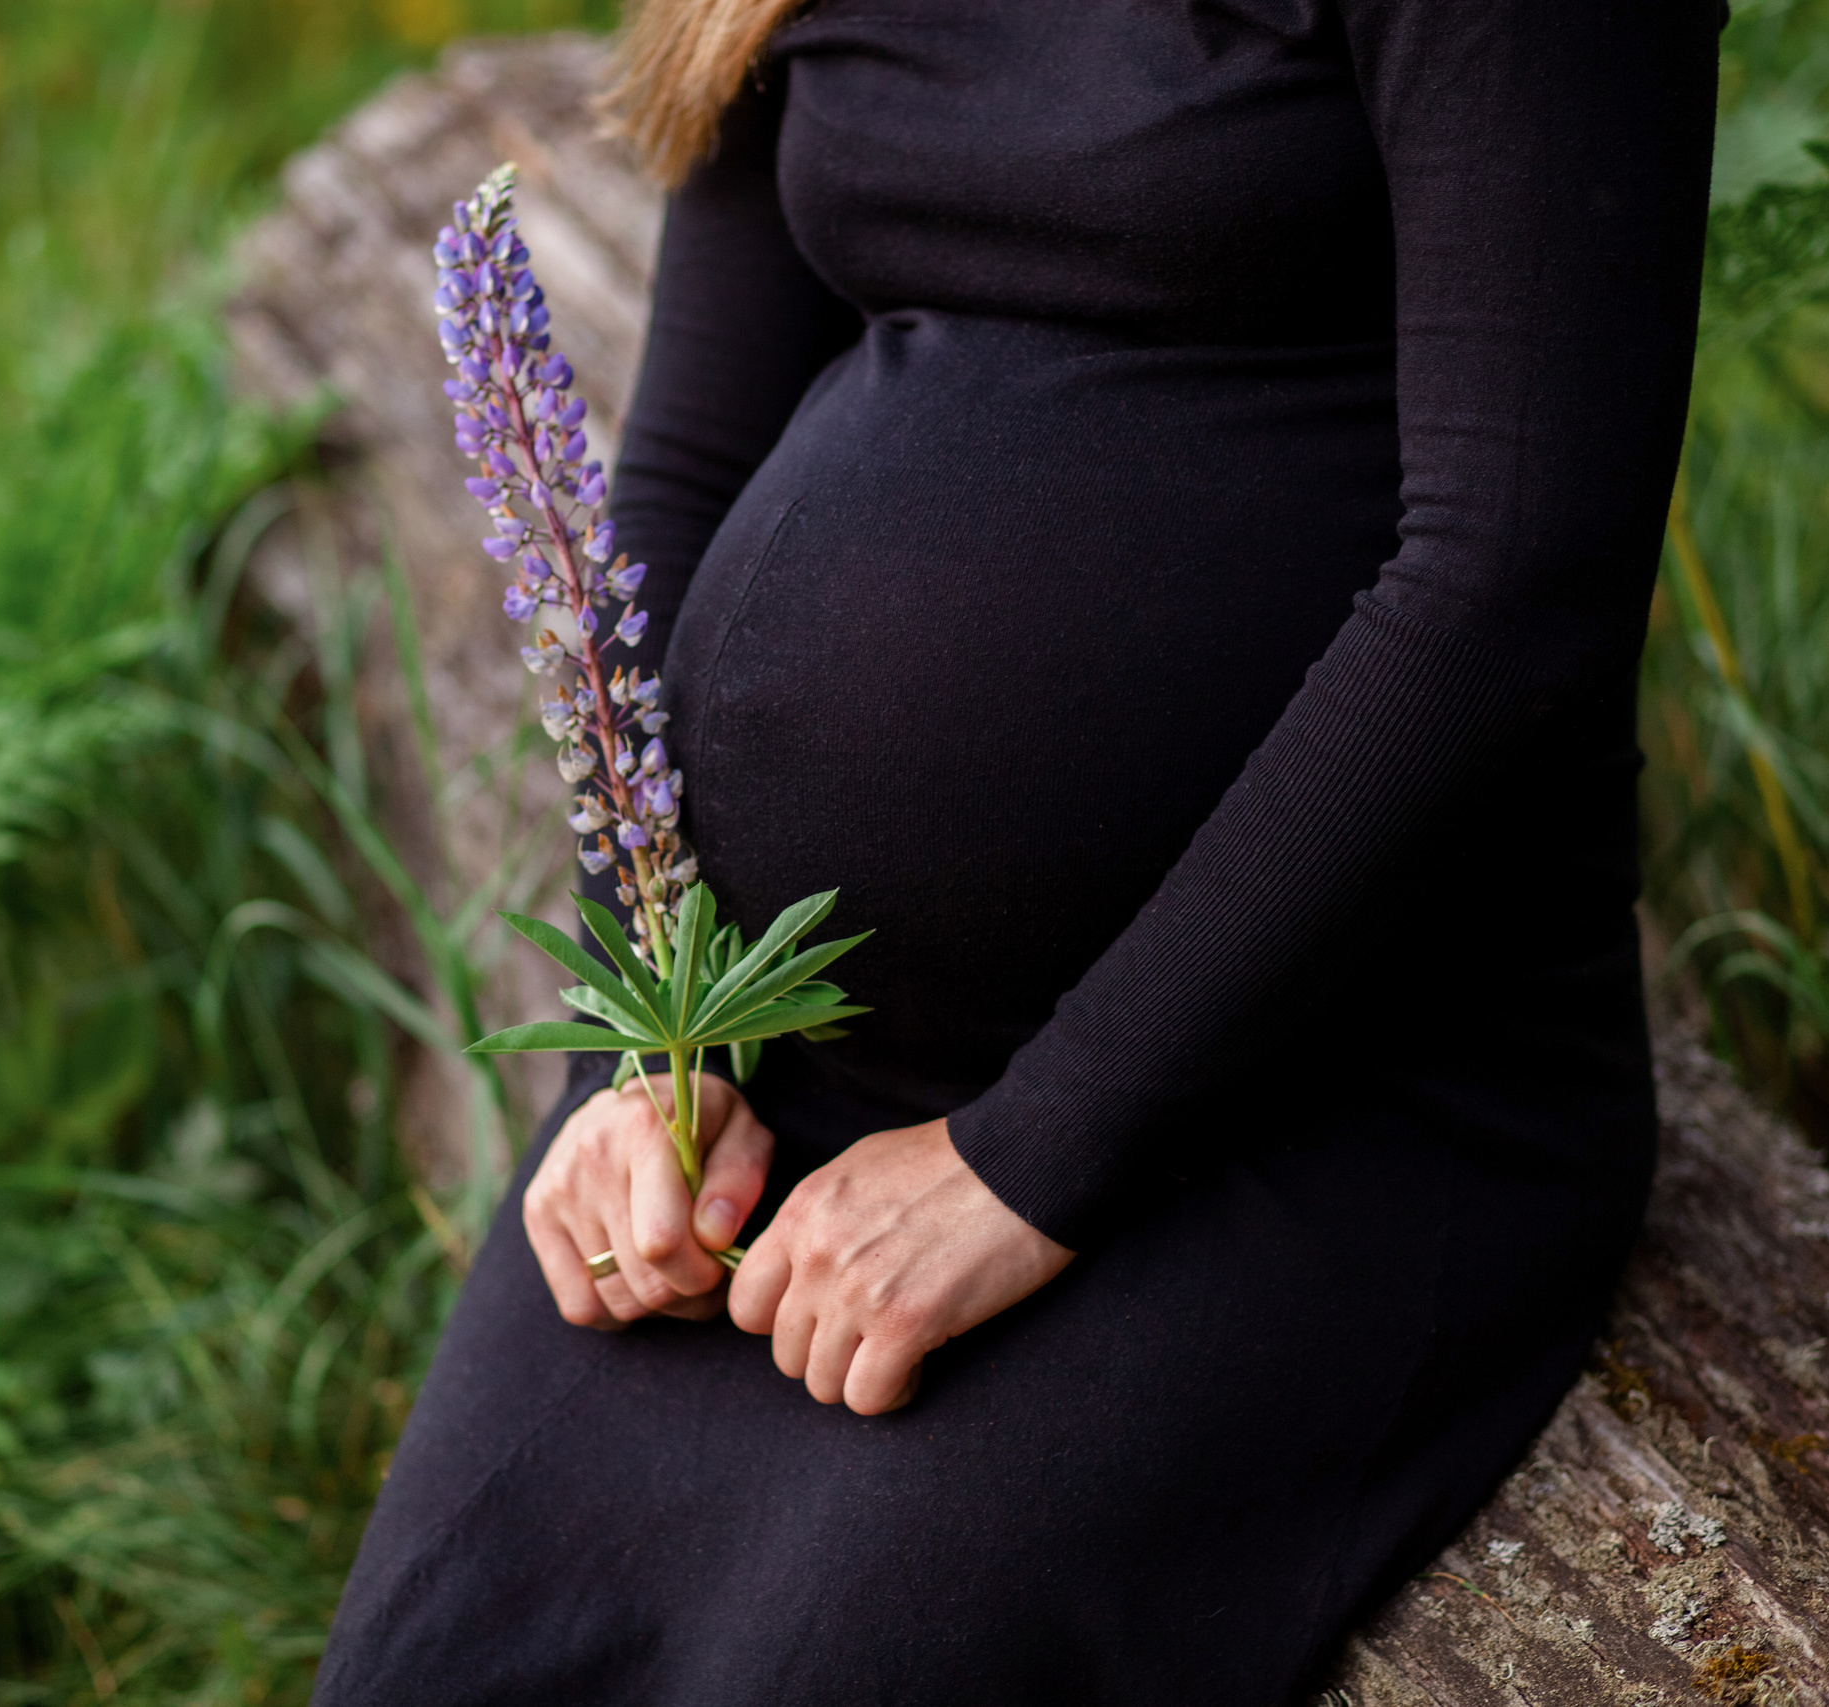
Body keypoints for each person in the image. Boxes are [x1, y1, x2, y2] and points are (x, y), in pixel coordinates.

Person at [314, 0, 1718, 1698]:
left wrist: (1029, 1161)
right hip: (775, 1071)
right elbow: (688, 463)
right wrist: (646, 1034)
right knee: (439, 1665)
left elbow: (1514, 597)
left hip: (1303, 1092)